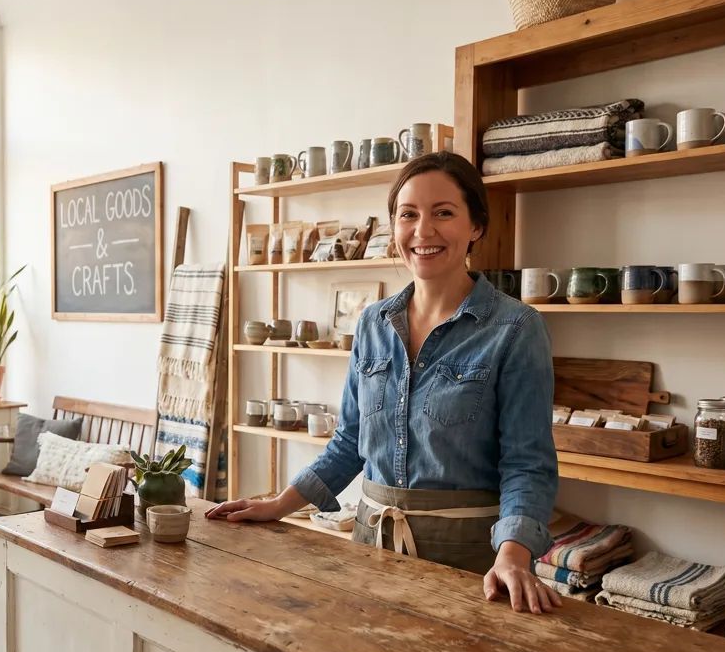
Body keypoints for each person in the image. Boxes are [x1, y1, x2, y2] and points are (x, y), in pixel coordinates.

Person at [207, 152, 561, 614]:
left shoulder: (515, 327)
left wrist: (514, 556)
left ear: (476, 225)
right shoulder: (373, 322)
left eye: (444, 213)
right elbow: (351, 442)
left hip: (470, 564)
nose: (423, 230)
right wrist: (279, 504)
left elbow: (527, 463)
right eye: (408, 214)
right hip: (370, 544)